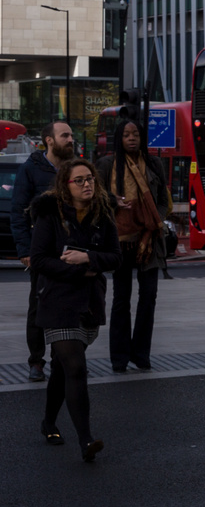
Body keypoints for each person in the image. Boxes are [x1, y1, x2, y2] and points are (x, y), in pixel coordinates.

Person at [31, 158, 121, 461]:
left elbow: (115, 258)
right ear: (65, 186)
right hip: (57, 301)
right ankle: (86, 440)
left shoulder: (103, 215)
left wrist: (88, 259)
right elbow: (40, 260)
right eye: (80, 180)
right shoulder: (49, 216)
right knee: (76, 367)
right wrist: (76, 270)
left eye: (91, 179)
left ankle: (48, 421)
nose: (87, 184)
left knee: (61, 367)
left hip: (88, 304)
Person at [97, 119, 170, 373]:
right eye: (126, 134)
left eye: (135, 134)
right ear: (119, 138)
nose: (131, 138)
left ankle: (141, 354)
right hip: (120, 241)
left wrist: (155, 221)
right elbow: (96, 197)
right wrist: (114, 201)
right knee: (121, 299)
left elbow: (163, 199)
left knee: (148, 297)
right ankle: (119, 357)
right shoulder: (107, 164)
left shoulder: (153, 163)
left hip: (148, 239)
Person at [12, 120, 75, 382]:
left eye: (71, 135)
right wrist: (25, 249)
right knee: (38, 306)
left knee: (70, 307)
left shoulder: (74, 169)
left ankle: (66, 358)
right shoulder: (31, 170)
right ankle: (36, 362)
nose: (71, 139)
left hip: (72, 250)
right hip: (42, 251)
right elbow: (18, 212)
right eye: (65, 135)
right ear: (49, 140)